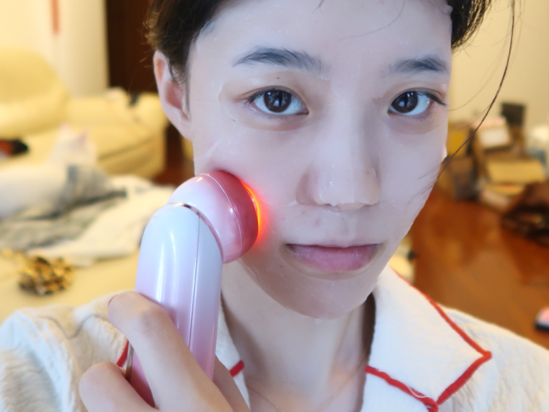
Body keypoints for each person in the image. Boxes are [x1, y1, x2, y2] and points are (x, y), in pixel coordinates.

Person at [1, 0, 548, 411]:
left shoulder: (526, 388)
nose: (351, 191)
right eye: (276, 99)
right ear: (177, 95)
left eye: (410, 100)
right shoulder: (36, 373)